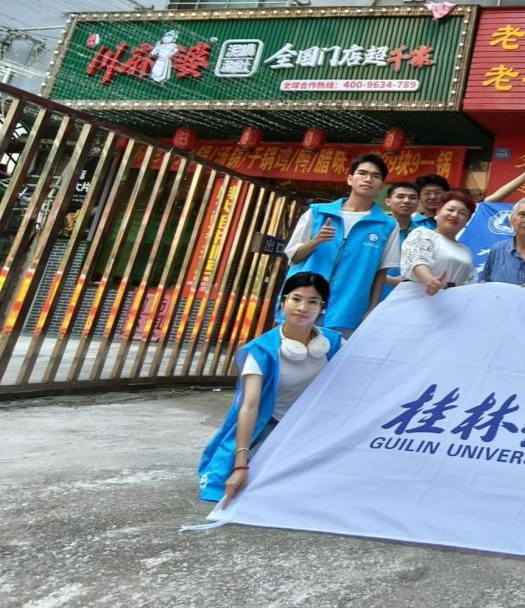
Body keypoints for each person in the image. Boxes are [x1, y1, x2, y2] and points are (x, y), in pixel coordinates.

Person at [197, 272, 343, 506]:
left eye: (313, 301)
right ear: (283, 302)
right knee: (263, 485)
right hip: (273, 427)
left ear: (322, 308)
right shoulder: (261, 351)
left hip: (315, 427)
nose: (303, 307)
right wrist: (240, 465)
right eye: (296, 299)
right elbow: (249, 407)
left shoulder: (334, 345)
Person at [284, 153, 400, 337]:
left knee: (334, 353)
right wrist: (316, 240)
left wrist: (372, 307)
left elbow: (381, 271)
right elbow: (294, 257)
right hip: (302, 304)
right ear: (350, 179)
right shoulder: (317, 213)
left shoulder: (387, 225)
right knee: (289, 351)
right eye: (362, 173)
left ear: (381, 186)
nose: (368, 179)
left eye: (375, 176)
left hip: (348, 309)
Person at [400, 190, 477, 296]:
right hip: (418, 298)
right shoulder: (423, 234)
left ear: (467, 221)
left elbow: (468, 282)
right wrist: (429, 280)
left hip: (450, 302)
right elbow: (417, 261)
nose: (455, 215)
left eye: (462, 213)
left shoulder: (465, 251)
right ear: (438, 212)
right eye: (450, 210)